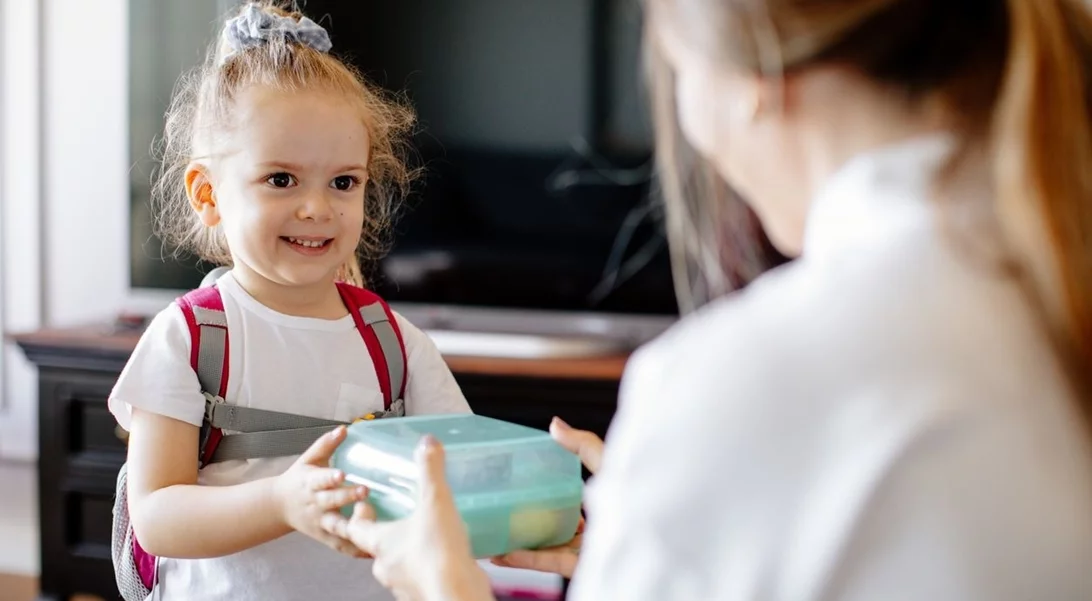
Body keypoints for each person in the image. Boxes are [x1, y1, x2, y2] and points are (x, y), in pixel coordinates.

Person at [320, 0, 1092, 599]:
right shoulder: (1051, 297)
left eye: (675, 67)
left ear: (753, 77)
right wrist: (655, 537)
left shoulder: (728, 385)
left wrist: (444, 582)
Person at [108, 2, 470, 600]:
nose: (317, 208)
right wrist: (282, 500)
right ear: (208, 194)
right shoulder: (191, 337)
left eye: (343, 182)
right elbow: (156, 518)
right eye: (281, 179)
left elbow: (455, 474)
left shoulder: (393, 341)